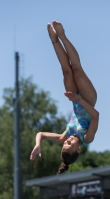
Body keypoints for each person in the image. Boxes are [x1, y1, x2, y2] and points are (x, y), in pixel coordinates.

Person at [30, 21, 99, 174]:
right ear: (78, 150)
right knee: (76, 69)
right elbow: (96, 115)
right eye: (70, 145)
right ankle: (62, 35)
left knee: (66, 71)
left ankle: (54, 39)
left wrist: (38, 144)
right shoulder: (87, 138)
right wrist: (78, 99)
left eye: (65, 144)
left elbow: (40, 134)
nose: (66, 141)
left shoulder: (65, 136)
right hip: (87, 99)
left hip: (74, 99)